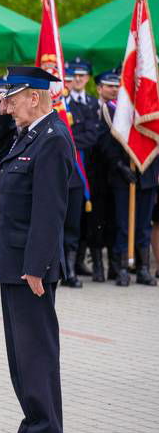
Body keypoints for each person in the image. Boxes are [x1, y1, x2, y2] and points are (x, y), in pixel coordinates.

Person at [0, 66, 73, 433]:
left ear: (35, 97)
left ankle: (46, 430)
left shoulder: (53, 139)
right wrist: (1, 112)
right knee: (19, 349)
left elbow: (50, 210)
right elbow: (0, 151)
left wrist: (37, 266)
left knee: (36, 347)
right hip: (13, 259)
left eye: (14, 97)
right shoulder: (29, 135)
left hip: (30, 265)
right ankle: (33, 420)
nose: (8, 104)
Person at [97, 82, 158, 287]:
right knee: (122, 224)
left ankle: (142, 269)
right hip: (122, 176)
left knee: (143, 226)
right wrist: (120, 166)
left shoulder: (152, 106)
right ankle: (122, 268)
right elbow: (105, 143)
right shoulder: (115, 108)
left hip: (147, 174)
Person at [62, 57, 99, 287]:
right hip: (57, 175)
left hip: (76, 175)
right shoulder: (55, 107)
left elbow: (91, 136)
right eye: (68, 77)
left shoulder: (81, 107)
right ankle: (56, 269)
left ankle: (70, 271)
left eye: (77, 76)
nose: (72, 81)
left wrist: (68, 142)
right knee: (56, 224)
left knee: (73, 225)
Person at [94, 69, 123, 282]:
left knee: (115, 219)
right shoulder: (90, 107)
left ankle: (114, 265)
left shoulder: (122, 110)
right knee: (95, 220)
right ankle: (97, 266)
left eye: (116, 86)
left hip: (117, 174)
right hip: (94, 173)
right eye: (109, 85)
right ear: (99, 88)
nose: (113, 89)